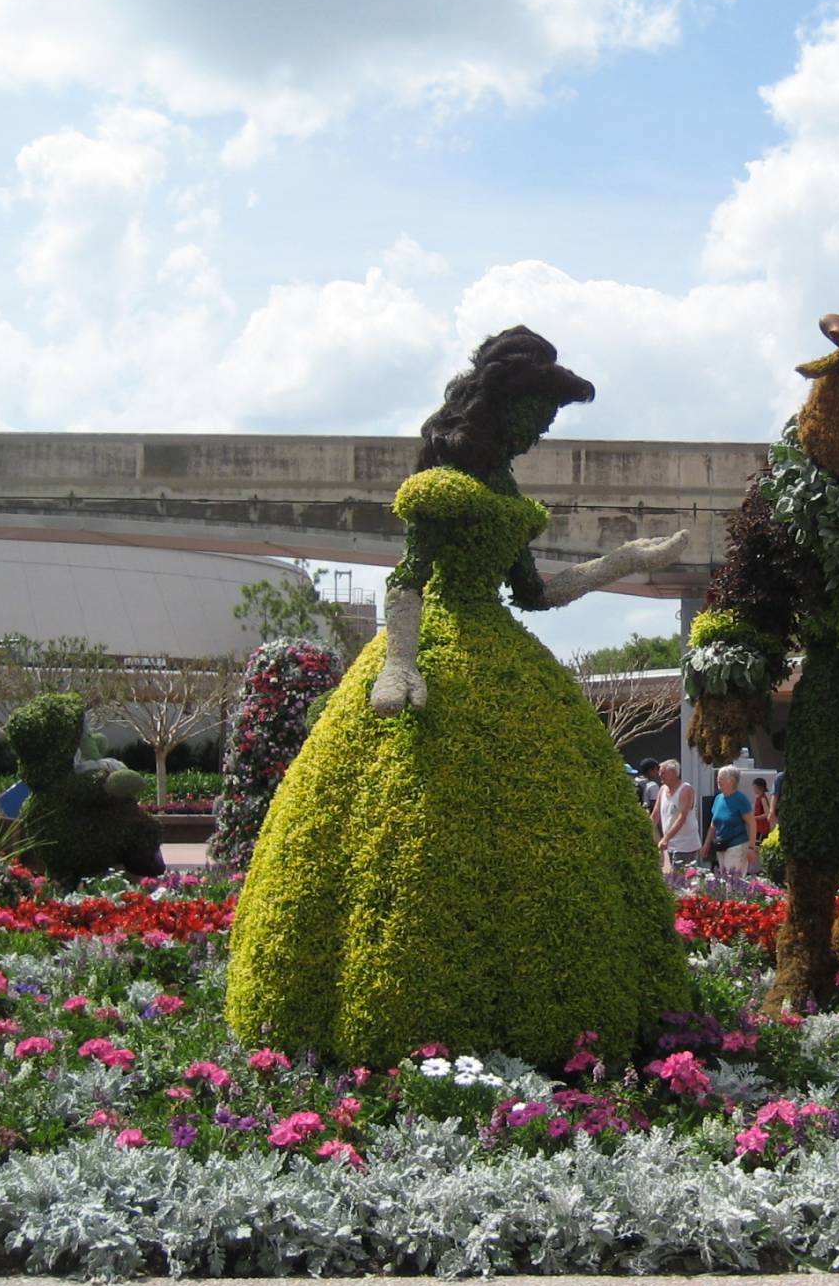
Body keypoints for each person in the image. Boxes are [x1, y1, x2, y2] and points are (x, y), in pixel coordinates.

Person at [224, 327, 692, 1069]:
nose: (541, 431)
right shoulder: (444, 490)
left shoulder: (504, 490)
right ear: (501, 406)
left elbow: (536, 593)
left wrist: (625, 563)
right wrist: (398, 665)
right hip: (437, 650)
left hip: (501, 644)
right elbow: (406, 583)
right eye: (536, 414)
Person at [699, 765, 755, 876]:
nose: (718, 779)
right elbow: (713, 824)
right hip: (721, 845)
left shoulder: (740, 799)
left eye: (721, 777)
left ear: (731, 780)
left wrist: (751, 847)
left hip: (737, 845)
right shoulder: (718, 798)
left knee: (733, 881)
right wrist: (706, 844)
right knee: (724, 880)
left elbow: (752, 823)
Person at [654, 759, 701, 876]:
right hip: (670, 844)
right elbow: (655, 814)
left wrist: (666, 838)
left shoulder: (685, 790)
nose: (660, 775)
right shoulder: (662, 790)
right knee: (672, 878)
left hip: (685, 844)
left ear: (674, 773)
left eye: (663, 772)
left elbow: (682, 818)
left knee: (682, 879)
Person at [749, 776, 776, 845]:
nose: (753, 789)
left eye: (754, 787)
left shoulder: (762, 798)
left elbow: (767, 813)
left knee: (759, 845)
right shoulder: (758, 798)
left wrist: (754, 818)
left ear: (758, 787)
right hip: (758, 827)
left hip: (763, 828)